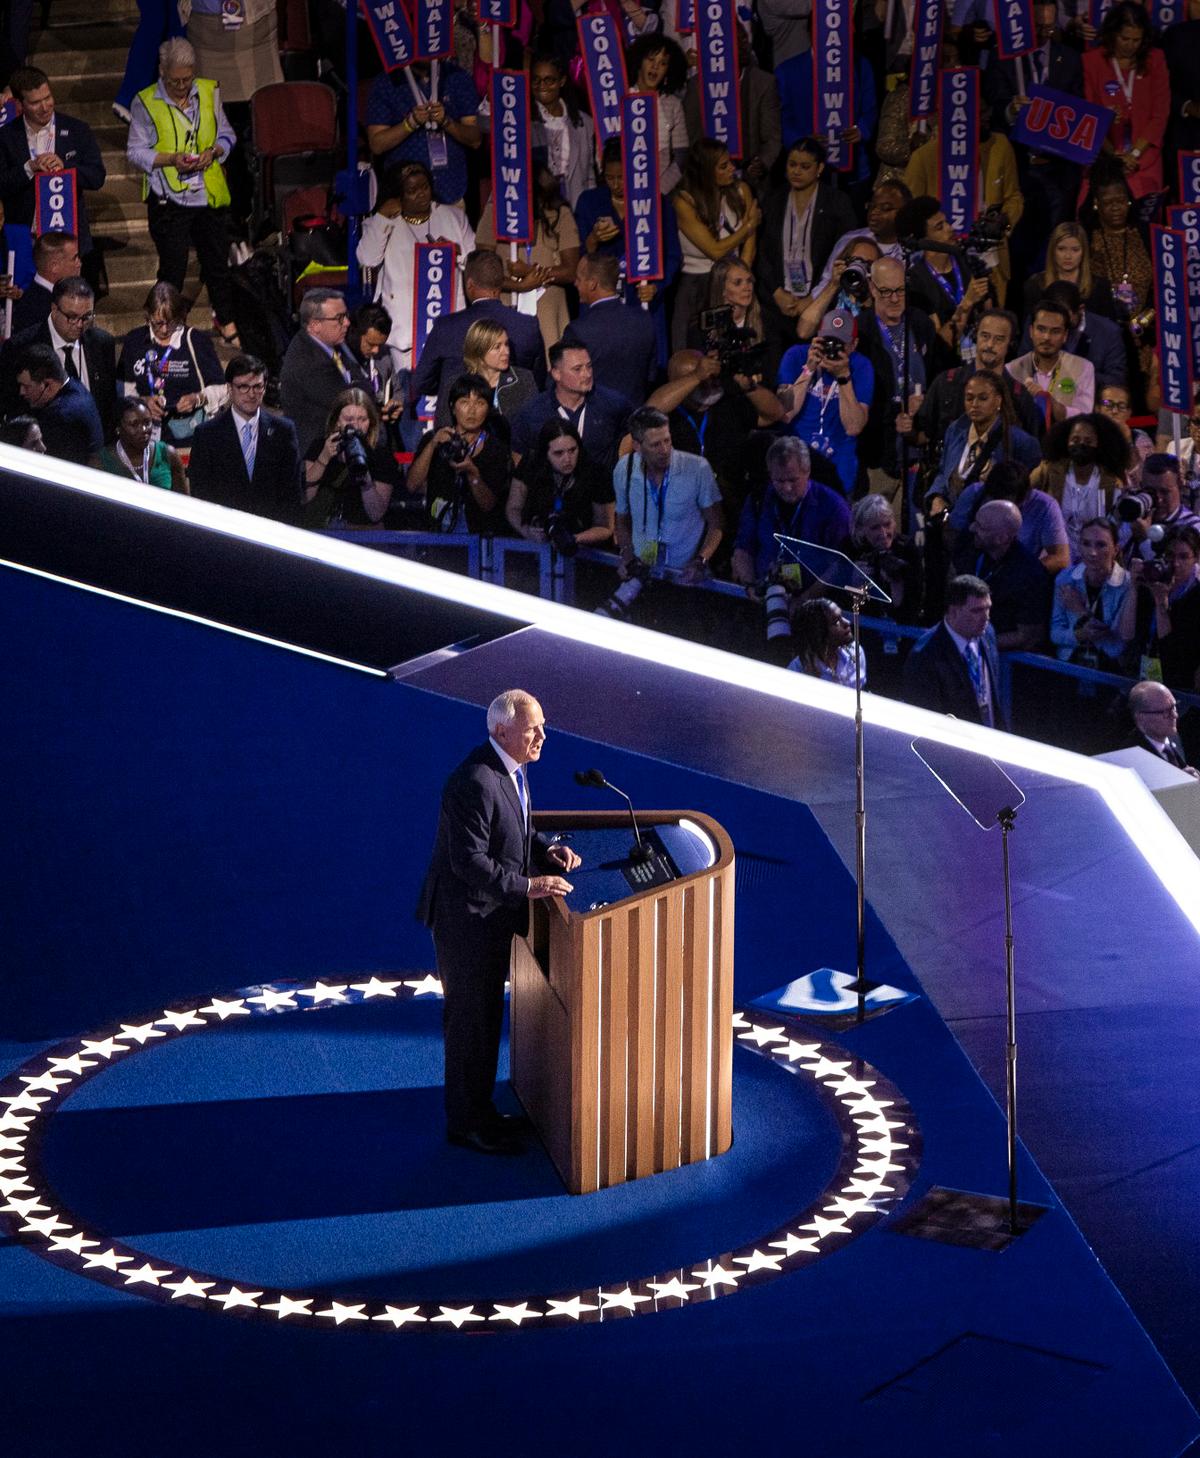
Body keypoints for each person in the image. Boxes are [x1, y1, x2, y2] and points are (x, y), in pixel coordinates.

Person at [416, 689, 580, 1155]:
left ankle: (479, 1110)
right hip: (466, 922)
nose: (543, 736)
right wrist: (531, 886)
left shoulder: (509, 770)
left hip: (488, 918)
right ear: (501, 731)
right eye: (534, 730)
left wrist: (544, 848)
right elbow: (469, 863)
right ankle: (465, 1124)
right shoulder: (473, 780)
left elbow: (516, 828)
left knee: (485, 1020)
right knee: (471, 1023)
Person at [127, 38, 239, 346]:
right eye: (175, 80)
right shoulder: (145, 101)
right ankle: (166, 326)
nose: (181, 86)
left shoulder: (208, 91)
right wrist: (170, 159)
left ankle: (227, 321)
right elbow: (135, 152)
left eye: (186, 79)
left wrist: (213, 152)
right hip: (169, 198)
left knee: (216, 263)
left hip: (207, 193)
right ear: (162, 72)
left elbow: (227, 135)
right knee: (172, 268)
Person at [355, 161, 475, 374]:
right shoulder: (384, 222)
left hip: (447, 325)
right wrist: (382, 218)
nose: (421, 194)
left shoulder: (453, 217)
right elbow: (367, 259)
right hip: (406, 333)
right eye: (412, 191)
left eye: (425, 187)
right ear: (398, 195)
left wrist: (456, 252)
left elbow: (475, 264)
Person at [0, 67, 106, 291]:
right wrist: (29, 168)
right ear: (19, 104)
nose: (45, 107)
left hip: (68, 241)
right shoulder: (6, 137)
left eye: (48, 98)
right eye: (35, 102)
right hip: (24, 240)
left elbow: (97, 176)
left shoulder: (76, 130)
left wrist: (65, 169)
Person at [754, 138, 856, 351]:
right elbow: (761, 252)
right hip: (777, 304)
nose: (796, 171)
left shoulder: (837, 202)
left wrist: (813, 298)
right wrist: (776, 292)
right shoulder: (773, 199)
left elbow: (845, 253)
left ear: (819, 168)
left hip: (820, 303)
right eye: (792, 165)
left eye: (804, 166)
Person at [410, 250, 546, 409]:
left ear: (469, 285)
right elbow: (538, 381)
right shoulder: (527, 325)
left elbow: (421, 381)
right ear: (501, 283)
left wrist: (452, 388)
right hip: (512, 420)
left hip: (457, 420)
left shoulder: (446, 326)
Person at [475, 165, 580, 357]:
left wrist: (529, 272)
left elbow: (571, 271)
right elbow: (482, 270)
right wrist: (521, 286)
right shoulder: (495, 211)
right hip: (506, 305)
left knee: (550, 366)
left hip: (547, 306)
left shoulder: (558, 213)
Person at [186, 353, 303, 520]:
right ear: (229, 388)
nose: (251, 394)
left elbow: (292, 494)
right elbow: (201, 495)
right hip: (225, 533)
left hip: (271, 534)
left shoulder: (283, 431)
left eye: (257, 387)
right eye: (243, 387)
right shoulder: (207, 435)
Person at [670, 138, 761, 352]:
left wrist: (740, 281)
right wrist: (748, 227)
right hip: (696, 284)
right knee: (691, 349)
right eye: (723, 166)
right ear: (705, 171)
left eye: (730, 162)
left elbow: (750, 245)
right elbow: (715, 250)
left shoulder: (741, 190)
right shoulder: (684, 200)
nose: (732, 169)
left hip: (731, 280)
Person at [614, 404, 723, 581]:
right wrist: (627, 555)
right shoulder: (624, 468)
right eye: (655, 445)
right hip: (642, 572)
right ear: (637, 446)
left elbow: (716, 524)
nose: (664, 450)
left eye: (667, 440)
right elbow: (621, 519)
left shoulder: (697, 468)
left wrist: (700, 560)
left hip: (685, 577)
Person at [4, 276, 118, 441]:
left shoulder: (102, 343)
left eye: (86, 317)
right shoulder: (20, 347)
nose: (79, 324)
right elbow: (14, 409)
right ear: (54, 309)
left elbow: (108, 406)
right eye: (72, 317)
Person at [116, 280, 226, 446]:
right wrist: (143, 401)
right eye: (158, 323)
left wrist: (198, 398)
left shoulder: (195, 341)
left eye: (171, 322)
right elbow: (123, 387)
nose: (165, 330)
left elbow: (223, 388)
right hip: (146, 436)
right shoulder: (135, 341)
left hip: (188, 435)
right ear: (148, 316)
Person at [731, 435, 851, 587]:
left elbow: (839, 565)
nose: (787, 488)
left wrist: (803, 600)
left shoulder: (834, 507)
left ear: (807, 472)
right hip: (765, 593)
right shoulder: (758, 499)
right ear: (770, 474)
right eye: (779, 481)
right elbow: (743, 548)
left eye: (793, 480)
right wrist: (750, 586)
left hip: (813, 601)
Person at [777, 308, 873, 498]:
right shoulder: (795, 356)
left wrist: (844, 377)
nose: (832, 349)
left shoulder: (861, 367)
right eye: (827, 341)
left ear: (853, 345)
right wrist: (809, 368)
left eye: (840, 344)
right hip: (793, 471)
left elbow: (853, 426)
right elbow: (786, 413)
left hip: (838, 474)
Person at [1082, 2, 1169, 210]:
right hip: (1104, 156)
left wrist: (1134, 155)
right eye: (1125, 39)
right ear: (1112, 34)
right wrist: (1114, 155)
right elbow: (1089, 114)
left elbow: (1159, 115)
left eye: (1136, 40)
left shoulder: (1155, 59)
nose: (1130, 45)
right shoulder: (1091, 61)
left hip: (1144, 157)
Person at [364, 56, 482, 208]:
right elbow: (377, 144)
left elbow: (475, 140)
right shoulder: (387, 82)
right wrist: (410, 123)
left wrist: (447, 122)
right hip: (404, 197)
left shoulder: (457, 77)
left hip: (451, 191)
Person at [407, 372, 512, 535]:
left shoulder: (496, 448)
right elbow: (412, 485)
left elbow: (489, 505)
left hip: (478, 537)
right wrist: (433, 445)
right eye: (464, 402)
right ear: (453, 407)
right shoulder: (433, 439)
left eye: (480, 403)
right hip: (437, 535)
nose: (472, 410)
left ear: (488, 408)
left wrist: (472, 473)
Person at [926, 369, 1041, 512]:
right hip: (954, 523)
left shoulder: (1020, 441)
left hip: (995, 526)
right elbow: (943, 473)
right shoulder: (955, 431)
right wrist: (936, 497)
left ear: (998, 400)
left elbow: (1030, 492)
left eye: (983, 398)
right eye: (969, 398)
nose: (974, 404)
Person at [902, 574, 1006, 728]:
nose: (986, 617)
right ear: (954, 611)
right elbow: (926, 721)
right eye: (977, 611)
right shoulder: (926, 655)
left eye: (988, 608)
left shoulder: (987, 634)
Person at [510, 341, 633, 470]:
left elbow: (635, 431)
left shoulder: (613, 403)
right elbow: (518, 455)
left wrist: (619, 462)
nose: (587, 374)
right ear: (556, 374)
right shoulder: (533, 413)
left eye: (589, 366)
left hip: (602, 487)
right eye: (577, 369)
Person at [278, 288, 369, 455]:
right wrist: (366, 391)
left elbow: (359, 380)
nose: (347, 323)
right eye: (339, 318)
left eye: (346, 316)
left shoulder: (333, 345)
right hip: (316, 455)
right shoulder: (306, 359)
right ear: (315, 325)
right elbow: (349, 399)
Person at [563, 253, 658, 408]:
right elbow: (650, 376)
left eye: (579, 279)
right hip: (634, 419)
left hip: (596, 422)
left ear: (593, 284)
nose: (575, 284)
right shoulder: (644, 319)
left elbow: (567, 384)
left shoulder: (578, 330)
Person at [1032, 412, 1131, 558]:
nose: (1081, 444)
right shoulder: (1048, 471)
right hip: (1056, 555)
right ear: (1066, 441)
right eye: (1075, 439)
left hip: (1096, 557)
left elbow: (1121, 528)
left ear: (1099, 444)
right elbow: (1025, 495)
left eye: (1088, 441)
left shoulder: (1111, 482)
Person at [947, 459, 1071, 575]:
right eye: (995, 501)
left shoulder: (1045, 506)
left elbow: (1061, 558)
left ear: (1024, 498)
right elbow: (951, 535)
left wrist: (1018, 574)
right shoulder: (974, 493)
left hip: (1018, 580)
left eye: (1006, 504)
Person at [506, 419, 616, 551]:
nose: (567, 459)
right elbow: (513, 508)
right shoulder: (531, 465)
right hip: (537, 547)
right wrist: (528, 532)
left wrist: (573, 539)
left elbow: (605, 527)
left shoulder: (596, 473)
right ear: (545, 454)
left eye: (572, 450)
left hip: (586, 550)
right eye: (559, 453)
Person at [960, 499, 1050, 652]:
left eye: (980, 526)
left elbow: (1028, 637)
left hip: (1009, 665)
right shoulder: (973, 551)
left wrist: (972, 643)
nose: (972, 528)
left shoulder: (1029, 574)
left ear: (1002, 538)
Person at [302, 388, 399, 529]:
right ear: (337, 422)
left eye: (362, 419)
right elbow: (305, 497)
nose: (356, 426)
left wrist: (364, 477)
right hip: (325, 533)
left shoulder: (381, 456)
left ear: (371, 422)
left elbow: (376, 514)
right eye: (349, 419)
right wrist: (323, 459)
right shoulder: (319, 447)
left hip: (363, 536)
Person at [1050, 516, 1137, 667]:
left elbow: (1117, 646)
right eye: (1086, 544)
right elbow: (1055, 633)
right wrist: (1078, 636)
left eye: (1101, 545)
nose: (1092, 553)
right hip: (1070, 664)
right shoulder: (1065, 579)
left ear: (1115, 549)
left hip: (1110, 668)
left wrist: (1079, 610)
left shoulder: (1127, 584)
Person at [1007, 299, 1095, 429]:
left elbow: (1084, 417)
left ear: (1065, 335)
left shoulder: (1083, 368)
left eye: (1055, 331)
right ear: (1031, 331)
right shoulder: (1012, 370)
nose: (1047, 337)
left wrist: (1049, 402)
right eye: (1041, 329)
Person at [434, 319, 537, 430]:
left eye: (506, 344)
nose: (506, 352)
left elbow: (535, 423)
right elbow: (443, 427)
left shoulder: (523, 379)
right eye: (497, 347)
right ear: (479, 350)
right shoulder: (455, 383)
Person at [1135, 526, 1200, 692]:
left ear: (1196, 558)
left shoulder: (1196, 596)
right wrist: (1132, 588)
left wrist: (1161, 603)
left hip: (1179, 684)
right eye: (1170, 556)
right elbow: (1128, 635)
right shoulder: (1150, 583)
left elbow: (1175, 652)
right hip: (1141, 676)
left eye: (1184, 557)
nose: (1176, 564)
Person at [16, 342, 103, 465]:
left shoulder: (59, 416)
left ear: (48, 385)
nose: (22, 392)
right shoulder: (76, 386)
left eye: (26, 386)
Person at [1084, 166, 1153, 321]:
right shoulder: (1088, 238)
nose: (1115, 208)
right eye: (1108, 202)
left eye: (1121, 201)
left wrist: (1145, 318)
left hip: (1145, 324)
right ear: (1096, 203)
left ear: (1128, 201)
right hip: (1101, 324)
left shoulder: (1144, 234)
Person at [624, 34, 690, 194]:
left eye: (662, 63)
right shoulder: (621, 99)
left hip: (662, 195)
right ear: (639, 61)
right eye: (651, 60)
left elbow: (681, 157)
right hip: (624, 191)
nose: (655, 67)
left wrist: (658, 191)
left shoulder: (673, 104)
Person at [529, 52, 593, 208]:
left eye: (549, 80)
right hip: (538, 207)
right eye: (536, 80)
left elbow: (590, 175)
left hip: (576, 203)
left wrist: (590, 210)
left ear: (562, 81)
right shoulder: (523, 120)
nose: (542, 86)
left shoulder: (584, 122)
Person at [849, 493, 923, 624]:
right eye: (875, 528)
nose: (883, 533)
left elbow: (911, 610)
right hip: (864, 624)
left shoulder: (907, 551)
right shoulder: (852, 551)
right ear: (861, 529)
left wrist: (896, 583)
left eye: (887, 524)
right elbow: (846, 604)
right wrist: (854, 583)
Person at [1021, 221, 1116, 322]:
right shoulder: (1035, 285)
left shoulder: (1100, 287)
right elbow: (1028, 329)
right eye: (1061, 249)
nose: (1068, 256)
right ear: (1052, 250)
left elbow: (1108, 330)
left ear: (1083, 252)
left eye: (1075, 250)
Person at [92, 396, 188, 493]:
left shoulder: (167, 454)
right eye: (134, 424)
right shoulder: (100, 463)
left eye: (147, 423)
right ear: (118, 428)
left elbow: (184, 502)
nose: (143, 430)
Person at [9, 229, 80, 335]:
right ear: (54, 266)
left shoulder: (62, 296)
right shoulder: (33, 310)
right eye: (74, 258)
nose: (79, 263)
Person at [788, 598, 866, 687]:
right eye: (836, 622)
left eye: (842, 617)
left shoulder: (856, 652)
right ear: (819, 632)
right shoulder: (797, 670)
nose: (847, 623)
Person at [1125, 680, 1199, 775]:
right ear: (1141, 717)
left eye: (1174, 707)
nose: (1175, 715)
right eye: (1165, 712)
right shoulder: (1133, 757)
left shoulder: (1174, 735)